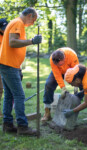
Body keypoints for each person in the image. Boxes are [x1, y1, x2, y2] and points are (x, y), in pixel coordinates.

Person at [0, 7, 42, 136]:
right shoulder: (18, 23)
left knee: (9, 95)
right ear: (29, 15)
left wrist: (18, 66)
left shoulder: (15, 22)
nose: (33, 23)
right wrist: (31, 41)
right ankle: (23, 127)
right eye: (33, 20)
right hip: (9, 65)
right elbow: (12, 42)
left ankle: (7, 124)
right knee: (19, 96)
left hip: (8, 64)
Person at [41, 47, 83, 122]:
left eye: (61, 64)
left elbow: (76, 72)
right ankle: (47, 112)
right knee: (49, 84)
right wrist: (63, 88)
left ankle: (79, 104)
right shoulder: (52, 59)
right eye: (58, 65)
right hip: (59, 72)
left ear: (64, 59)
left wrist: (76, 86)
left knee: (82, 84)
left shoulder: (71, 55)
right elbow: (57, 75)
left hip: (71, 70)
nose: (59, 66)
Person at [0, 18, 8, 117]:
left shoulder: (9, 35)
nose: (4, 30)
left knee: (2, 88)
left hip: (6, 64)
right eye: (2, 28)